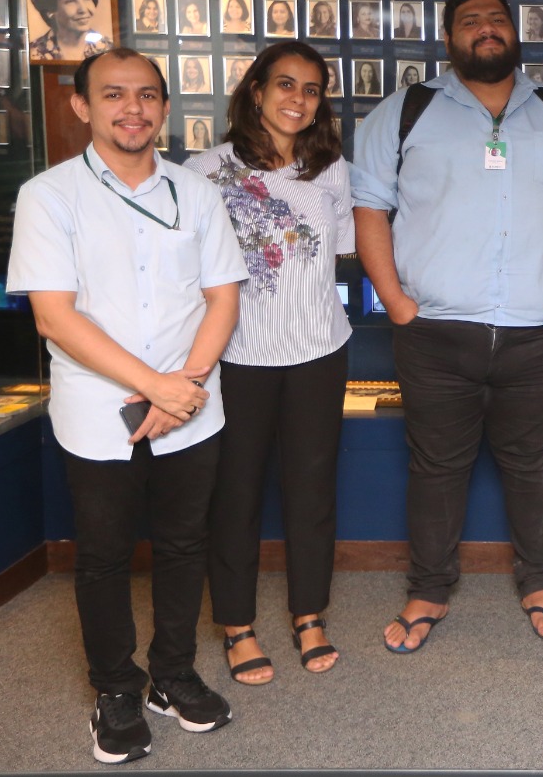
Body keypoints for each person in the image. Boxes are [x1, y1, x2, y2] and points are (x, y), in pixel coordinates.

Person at [352, 0, 543, 652]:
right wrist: (397, 302)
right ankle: (428, 589)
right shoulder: (405, 112)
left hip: (541, 331)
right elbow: (369, 209)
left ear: (515, 32)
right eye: (470, 20)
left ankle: (539, 582)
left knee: (535, 466)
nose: (486, 29)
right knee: (436, 468)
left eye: (496, 18)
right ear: (449, 38)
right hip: (435, 332)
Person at [7, 47, 245, 764]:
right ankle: (115, 687)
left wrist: (184, 386)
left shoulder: (196, 193)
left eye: (145, 95)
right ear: (82, 106)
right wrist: (157, 384)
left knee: (184, 543)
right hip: (97, 408)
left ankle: (172, 675)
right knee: (105, 554)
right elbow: (54, 316)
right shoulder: (48, 196)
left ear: (165, 108)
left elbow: (222, 298)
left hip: (192, 404)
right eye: (113, 95)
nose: (131, 108)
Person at [185, 41, 353, 687]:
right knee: (236, 492)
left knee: (312, 489)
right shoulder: (205, 171)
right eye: (285, 85)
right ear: (255, 91)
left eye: (311, 90)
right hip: (238, 356)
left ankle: (309, 615)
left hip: (318, 350)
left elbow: (335, 257)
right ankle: (237, 625)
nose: (298, 100)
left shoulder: (331, 170)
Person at [29, 0, 113, 62]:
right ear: (50, 10)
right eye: (70, 0)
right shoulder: (33, 54)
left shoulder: (110, 50)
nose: (83, 9)